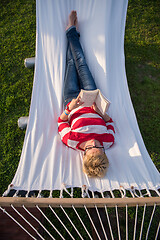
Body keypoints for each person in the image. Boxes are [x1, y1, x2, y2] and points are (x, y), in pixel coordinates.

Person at [58, 11, 115, 178]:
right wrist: (100, 113)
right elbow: (110, 122)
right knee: (81, 63)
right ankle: (71, 31)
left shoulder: (72, 140)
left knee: (70, 63)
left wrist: (71, 108)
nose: (95, 142)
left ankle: (73, 32)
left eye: (91, 147)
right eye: (100, 147)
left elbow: (61, 121)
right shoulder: (108, 141)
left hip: (72, 99)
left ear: (84, 154)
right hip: (91, 98)